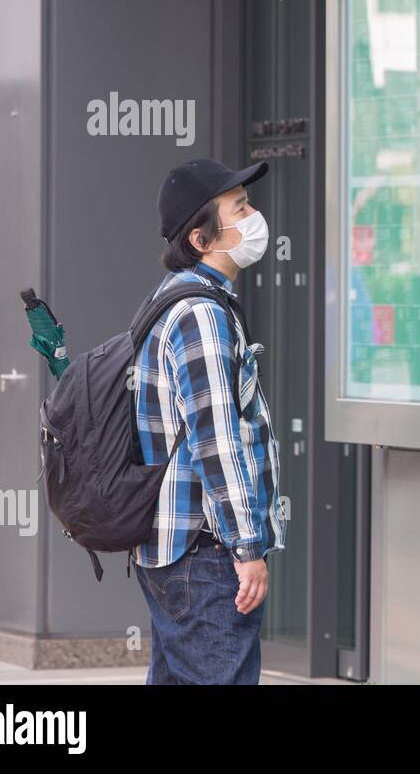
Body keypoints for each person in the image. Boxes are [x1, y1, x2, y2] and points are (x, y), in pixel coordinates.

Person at [132, 157, 286, 684]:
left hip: (178, 552)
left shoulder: (178, 301)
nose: (254, 216)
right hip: (205, 554)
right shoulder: (201, 314)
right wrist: (248, 546)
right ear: (202, 238)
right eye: (239, 208)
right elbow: (216, 439)